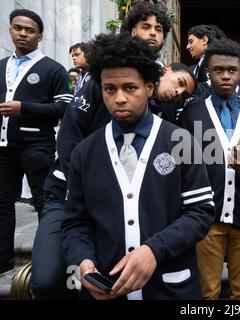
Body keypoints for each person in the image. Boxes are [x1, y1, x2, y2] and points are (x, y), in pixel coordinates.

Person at [30, 1, 190, 299]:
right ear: (131, 30)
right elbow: (69, 138)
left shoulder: (165, 87)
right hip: (71, 191)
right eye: (146, 27)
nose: (153, 34)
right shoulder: (99, 76)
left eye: (159, 29)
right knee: (51, 278)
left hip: (122, 198)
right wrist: (89, 181)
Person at [61, 32, 215, 300]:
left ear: (149, 88)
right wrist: (83, 261)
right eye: (110, 89)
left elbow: (200, 213)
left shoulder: (180, 141)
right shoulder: (85, 152)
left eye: (129, 88)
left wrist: (155, 249)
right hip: (109, 288)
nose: (119, 98)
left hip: (169, 289)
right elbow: (75, 222)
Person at [179, 39, 240, 300]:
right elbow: (181, 166)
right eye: (219, 70)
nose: (226, 76)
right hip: (206, 217)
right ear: (208, 72)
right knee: (207, 292)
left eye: (232, 70)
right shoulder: (191, 113)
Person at [0, 9, 72, 275]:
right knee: (2, 204)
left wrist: (25, 108)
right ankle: (3, 261)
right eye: (18, 28)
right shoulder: (2, 66)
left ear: (40, 36)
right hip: (4, 148)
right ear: (10, 30)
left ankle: (47, 261)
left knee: (45, 202)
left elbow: (65, 107)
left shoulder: (52, 69)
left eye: (29, 30)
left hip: (37, 145)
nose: (23, 34)